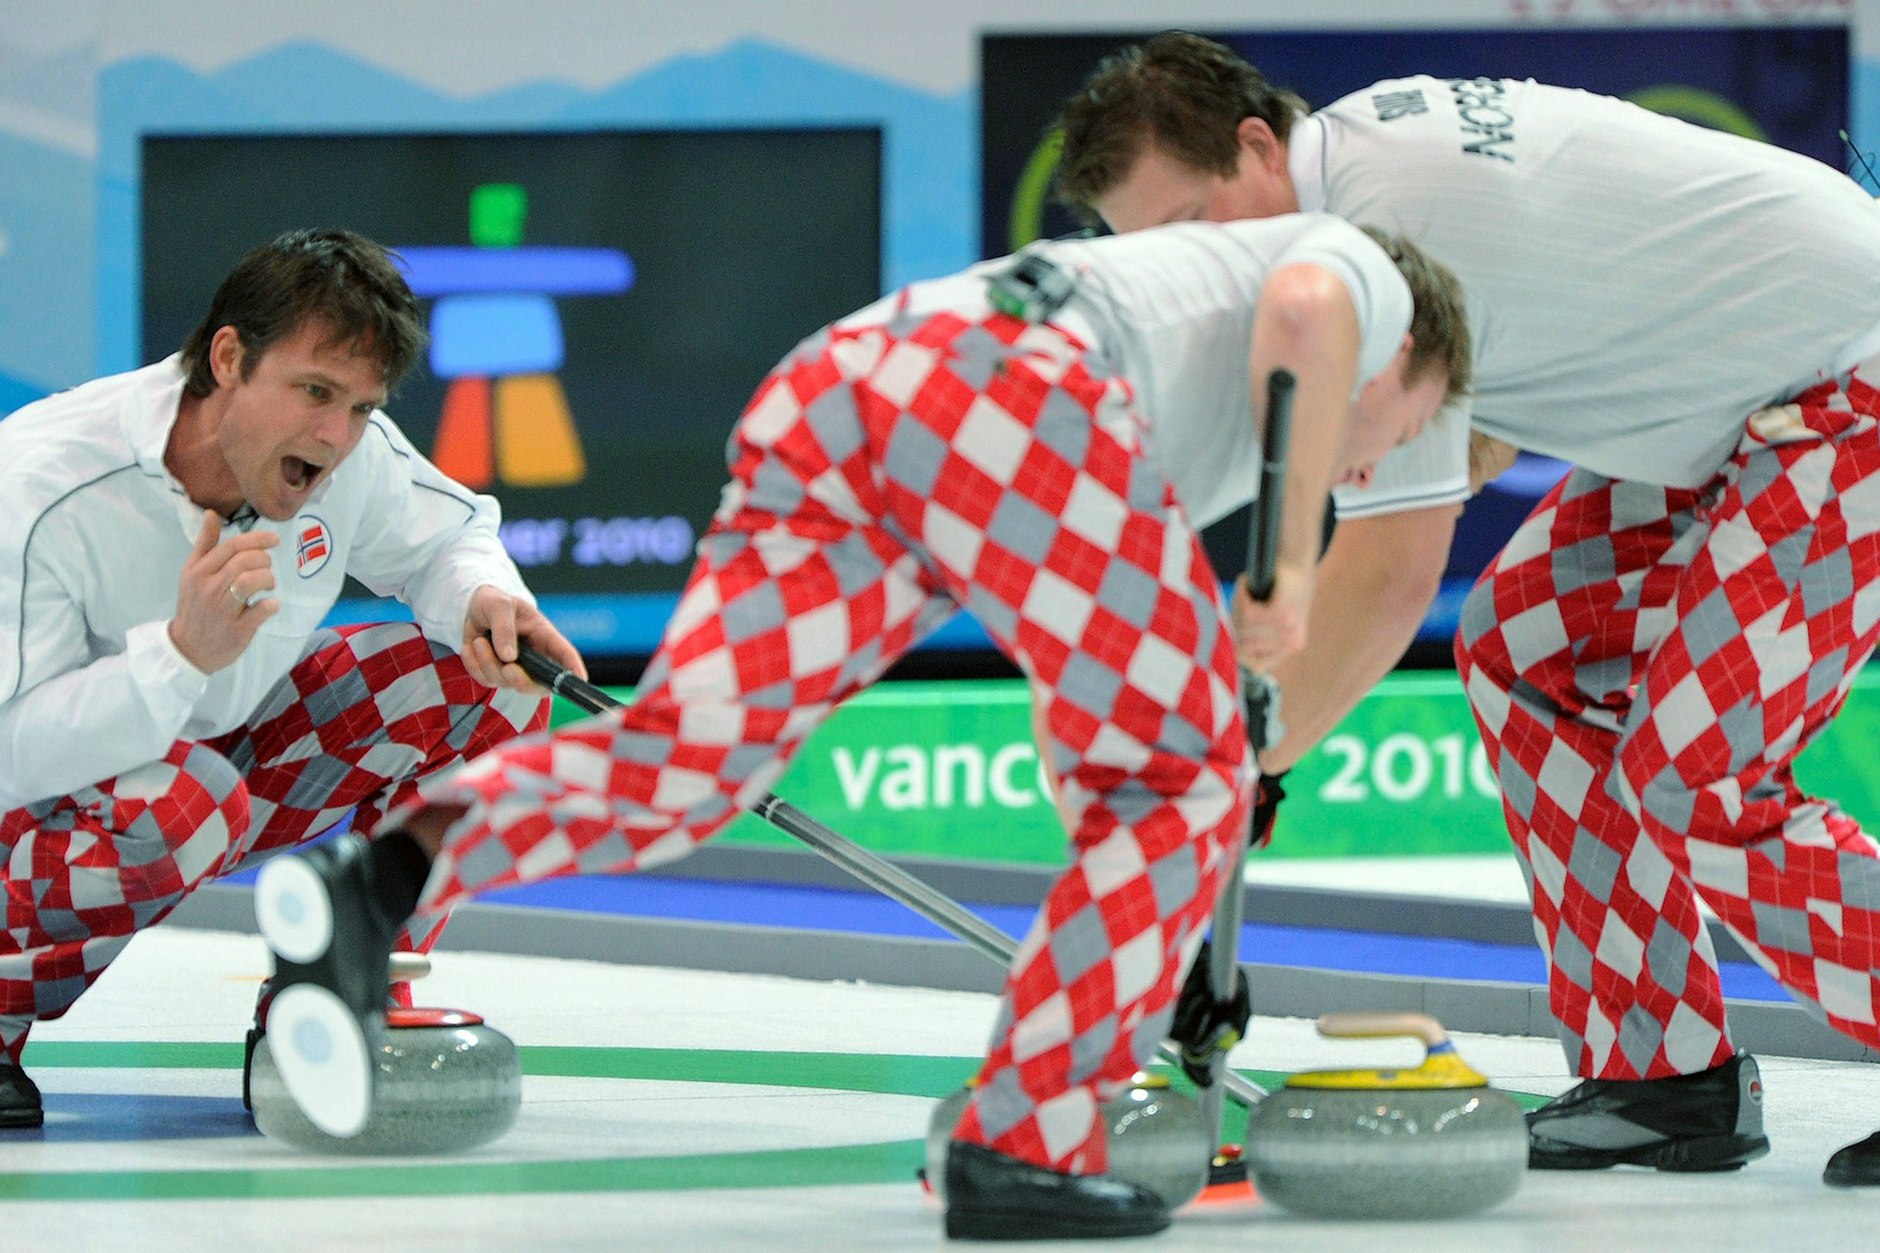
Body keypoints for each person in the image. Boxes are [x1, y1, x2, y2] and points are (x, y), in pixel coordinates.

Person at [250, 213, 1468, 1241]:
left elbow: (1089, 739)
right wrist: (1293, 574)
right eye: (1403, 429)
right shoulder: (1354, 270)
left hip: (845, 386)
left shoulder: (1185, 426)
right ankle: (1027, 1141)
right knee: (1180, 777)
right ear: (1404, 354)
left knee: (687, 758)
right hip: (1007, 385)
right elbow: (1308, 315)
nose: (1371, 471)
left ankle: (385, 870)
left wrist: (1168, 929)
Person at [1053, 30, 1880, 1185]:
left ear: (1254, 144)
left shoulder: (1370, 239)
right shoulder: (1359, 161)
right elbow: (1469, 427)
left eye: (1192, 229)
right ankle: (1657, 1070)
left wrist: (1229, 774)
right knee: (1523, 644)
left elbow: (1391, 571)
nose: (1195, 275)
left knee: (1697, 772)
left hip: (1847, 388)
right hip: (1745, 410)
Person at [0, 227, 583, 1129]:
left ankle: (334, 999)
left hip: (222, 758)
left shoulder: (345, 457)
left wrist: (485, 596)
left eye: (360, 405)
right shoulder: (41, 481)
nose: (337, 435)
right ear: (227, 358)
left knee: (495, 681)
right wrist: (178, 654)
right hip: (40, 799)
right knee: (182, 808)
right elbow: (14, 746)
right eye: (315, 392)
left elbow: (448, 537)